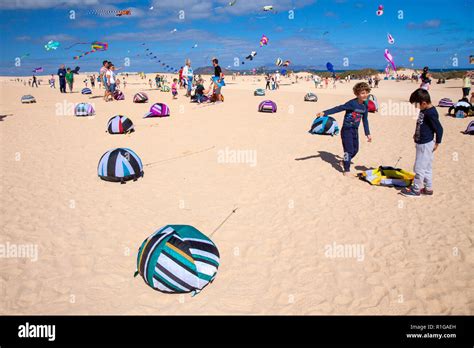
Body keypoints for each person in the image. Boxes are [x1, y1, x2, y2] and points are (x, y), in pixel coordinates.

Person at [315, 82, 372, 176]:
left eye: (366, 92)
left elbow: (365, 120)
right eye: (362, 93)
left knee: (355, 150)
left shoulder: (365, 106)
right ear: (357, 94)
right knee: (348, 151)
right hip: (347, 130)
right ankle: (346, 169)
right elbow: (339, 108)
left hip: (355, 130)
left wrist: (368, 133)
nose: (365, 95)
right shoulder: (352, 103)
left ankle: (344, 161)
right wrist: (324, 112)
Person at [401, 89, 443, 197]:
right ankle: (428, 188)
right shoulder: (424, 110)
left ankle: (416, 190)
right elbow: (421, 124)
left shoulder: (431, 113)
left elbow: (439, 128)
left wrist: (437, 142)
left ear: (423, 103)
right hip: (422, 142)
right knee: (427, 167)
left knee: (419, 168)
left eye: (416, 105)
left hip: (425, 144)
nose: (416, 107)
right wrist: (416, 134)